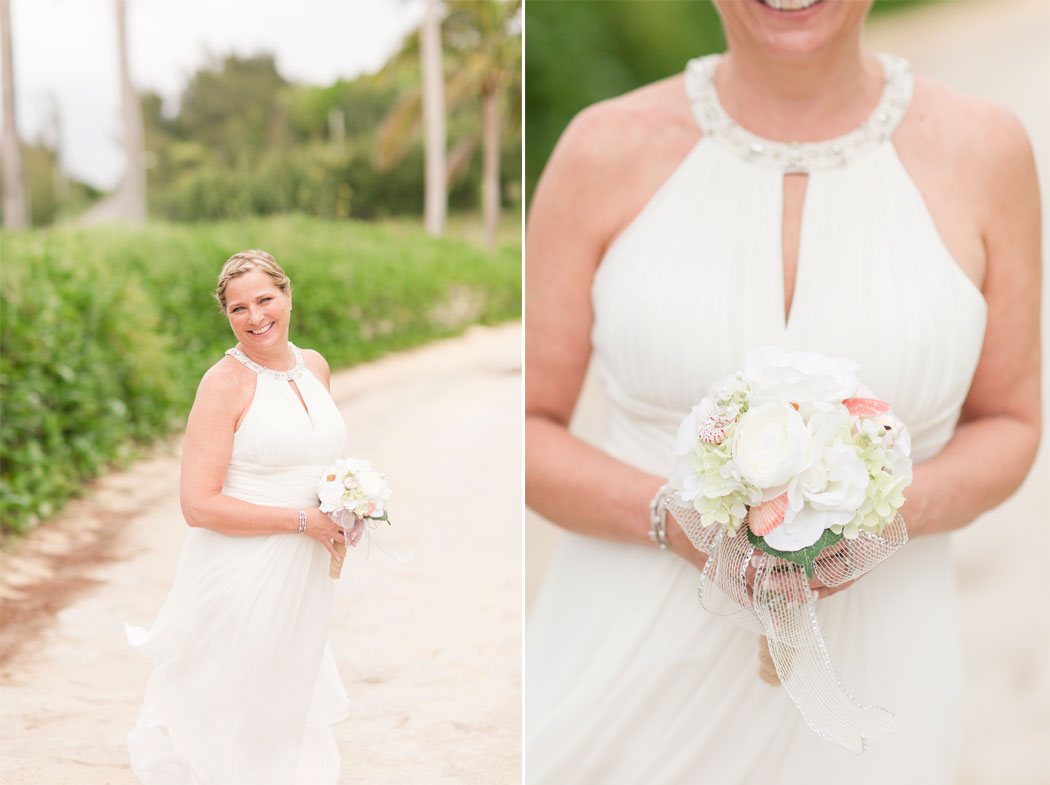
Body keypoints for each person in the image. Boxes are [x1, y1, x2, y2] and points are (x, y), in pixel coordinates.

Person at [524, 1, 1041, 783]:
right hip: (625, 679)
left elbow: (1011, 419)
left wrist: (883, 520)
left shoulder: (986, 148)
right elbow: (524, 427)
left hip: (881, 683)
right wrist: (677, 520)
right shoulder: (601, 148)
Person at [126, 250, 354, 785]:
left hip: (305, 573)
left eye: (264, 300)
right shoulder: (224, 383)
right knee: (233, 709)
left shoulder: (316, 366)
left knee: (287, 702)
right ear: (226, 316)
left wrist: (347, 504)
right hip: (241, 572)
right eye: (238, 308)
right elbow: (197, 505)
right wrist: (304, 521)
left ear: (288, 295)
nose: (255, 318)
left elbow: (316, 462)